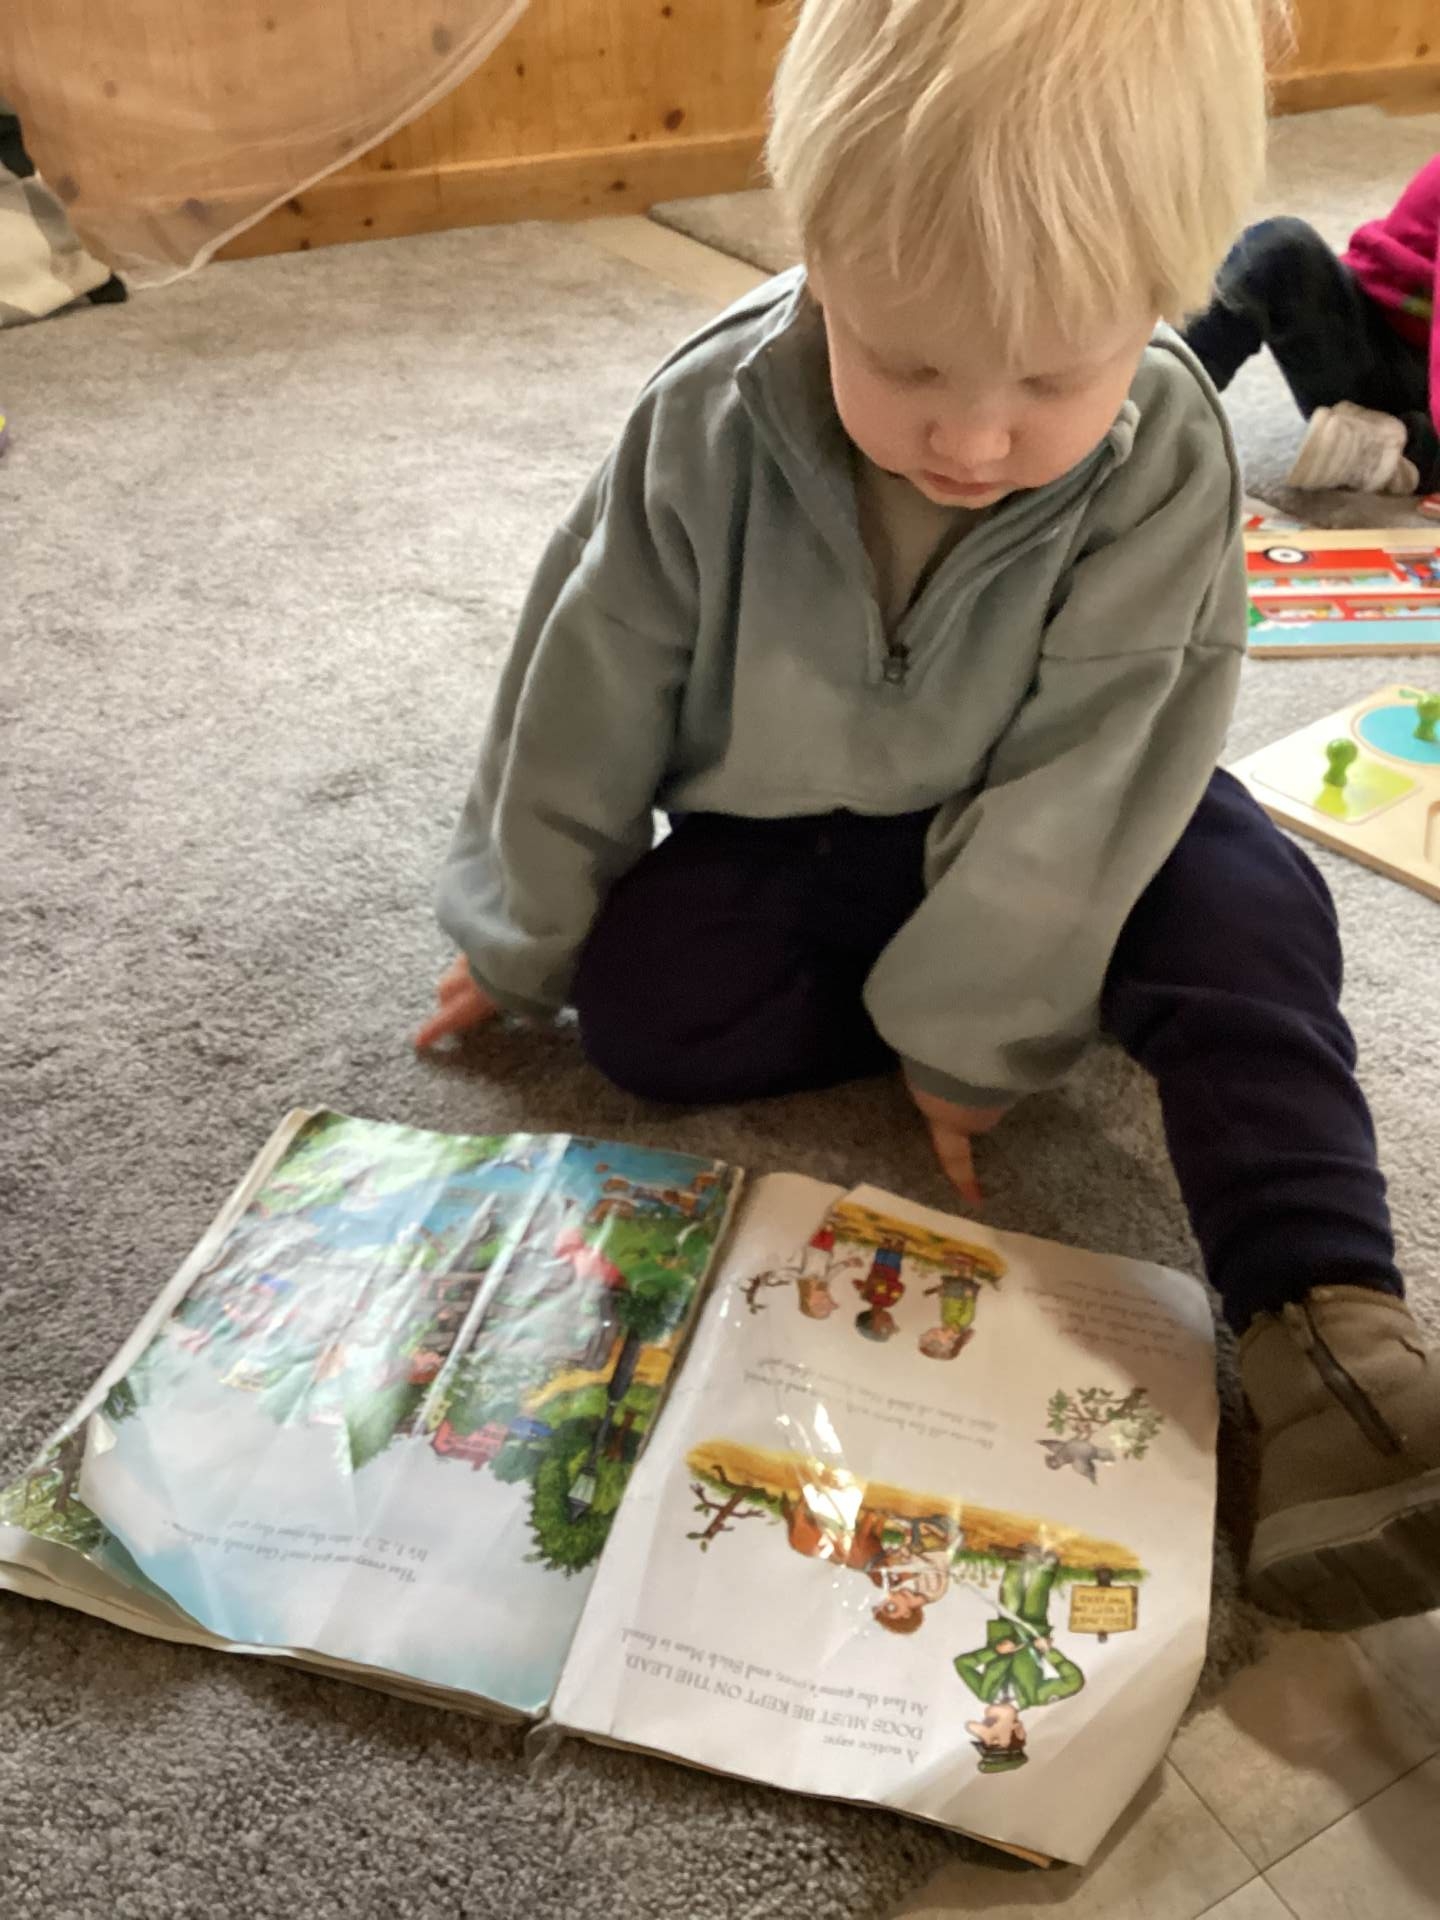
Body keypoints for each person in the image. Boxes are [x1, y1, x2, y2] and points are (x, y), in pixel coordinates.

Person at [417, 0, 1440, 1629]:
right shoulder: (707, 419)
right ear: (815, 253)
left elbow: (1101, 759)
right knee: (645, 1015)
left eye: (1052, 376)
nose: (971, 436)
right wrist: (519, 928)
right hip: (802, 828)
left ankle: (1333, 1335)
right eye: (903, 363)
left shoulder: (1164, 452)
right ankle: (1014, 994)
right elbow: (583, 692)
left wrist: (974, 1030)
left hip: (1091, 819)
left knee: (1246, 909)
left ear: (1161, 300)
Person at [1185, 158, 1440, 495]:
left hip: (1417, 387)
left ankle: (1394, 449)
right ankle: (1160, 391)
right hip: (1368, 338)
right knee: (1281, 249)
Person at [953, 1548, 1085, 1773]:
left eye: (984, 1739)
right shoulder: (1035, 1696)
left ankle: (1016, 1563)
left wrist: (995, 1652)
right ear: (1019, 1731)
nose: (986, 1729)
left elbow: (962, 1664)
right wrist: (1049, 1652)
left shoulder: (985, 1692)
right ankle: (1046, 1567)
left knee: (1009, 1596)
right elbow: (1074, 1682)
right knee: (1035, 1598)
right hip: (1033, 1632)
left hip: (1005, 1630)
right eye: (995, 1739)